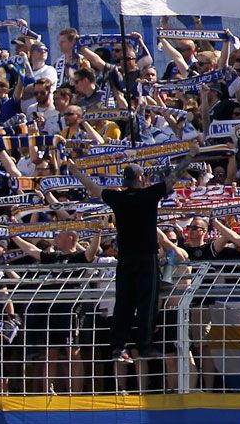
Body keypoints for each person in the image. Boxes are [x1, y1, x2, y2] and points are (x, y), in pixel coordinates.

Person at [72, 151, 200, 363]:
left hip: (125, 259)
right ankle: (144, 346)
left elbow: (92, 187)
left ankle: (118, 347)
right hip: (146, 257)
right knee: (147, 303)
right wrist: (190, 155)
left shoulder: (117, 197)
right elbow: (174, 176)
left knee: (123, 303)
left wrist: (75, 171)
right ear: (140, 179)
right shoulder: (148, 194)